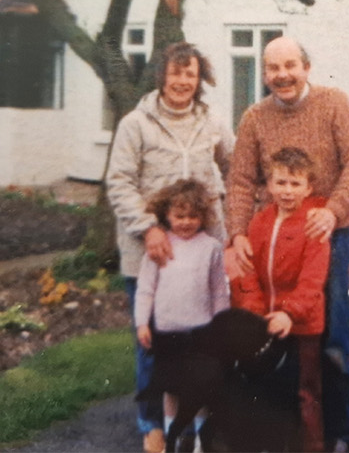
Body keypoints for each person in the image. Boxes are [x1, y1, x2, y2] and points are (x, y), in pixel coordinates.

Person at [224, 36, 349, 452]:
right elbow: (239, 180)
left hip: (328, 234)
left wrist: (334, 210)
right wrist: (237, 233)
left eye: (290, 65)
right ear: (265, 74)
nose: (282, 75)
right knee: (269, 331)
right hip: (272, 236)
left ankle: (339, 433)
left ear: (306, 67)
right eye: (273, 68)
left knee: (331, 336)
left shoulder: (334, 104)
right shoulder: (254, 118)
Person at [107, 41, 236, 453]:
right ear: (162, 75)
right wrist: (148, 228)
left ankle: (202, 423)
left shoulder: (213, 121)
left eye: (190, 74)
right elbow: (119, 182)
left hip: (201, 256)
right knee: (153, 345)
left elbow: (236, 171)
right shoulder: (135, 123)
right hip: (151, 253)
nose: (182, 81)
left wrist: (233, 229)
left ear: (200, 79)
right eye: (176, 72)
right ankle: (153, 425)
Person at [229, 147, 331, 452]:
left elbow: (313, 280)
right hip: (265, 324)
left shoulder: (312, 224)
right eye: (281, 183)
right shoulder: (259, 222)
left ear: (309, 188)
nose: (288, 191)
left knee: (305, 394)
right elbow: (247, 273)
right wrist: (256, 314)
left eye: (296, 184)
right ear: (269, 186)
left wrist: (290, 313)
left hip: (301, 327)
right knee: (266, 391)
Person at [132, 179, 230, 451]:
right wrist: (142, 323)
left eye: (193, 216)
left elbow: (219, 291)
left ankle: (201, 440)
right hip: (167, 332)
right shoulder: (160, 247)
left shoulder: (210, 247)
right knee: (171, 388)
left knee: (199, 389)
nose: (186, 222)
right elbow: (145, 290)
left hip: (201, 332)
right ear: (167, 215)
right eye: (179, 216)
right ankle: (171, 437)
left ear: (203, 216)